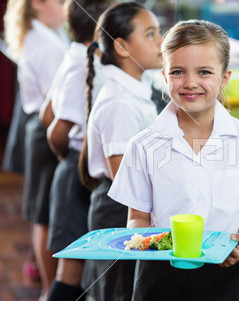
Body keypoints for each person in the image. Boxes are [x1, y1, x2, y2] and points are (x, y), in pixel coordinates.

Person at [108, 19, 239, 301]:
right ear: (165, 76)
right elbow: (137, 219)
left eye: (204, 72)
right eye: (178, 72)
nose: (190, 83)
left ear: (224, 77)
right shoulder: (143, 145)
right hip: (158, 278)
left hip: (223, 278)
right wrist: (153, 245)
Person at [78, 1, 163, 300]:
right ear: (123, 47)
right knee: (117, 295)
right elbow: (122, 176)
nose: (161, 42)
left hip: (130, 208)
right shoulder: (119, 102)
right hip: (119, 211)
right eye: (150, 34)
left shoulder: (133, 90)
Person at [40, 0, 116, 301]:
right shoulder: (85, 65)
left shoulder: (75, 57)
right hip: (76, 174)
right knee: (69, 277)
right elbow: (56, 129)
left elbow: (47, 112)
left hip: (75, 169)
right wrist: (71, 160)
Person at [3, 0, 68, 300]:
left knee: (43, 212)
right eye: (60, 2)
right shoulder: (44, 44)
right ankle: (47, 291)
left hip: (41, 128)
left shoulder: (45, 34)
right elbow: (53, 101)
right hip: (46, 131)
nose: (66, 7)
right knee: (43, 214)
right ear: (38, 4)